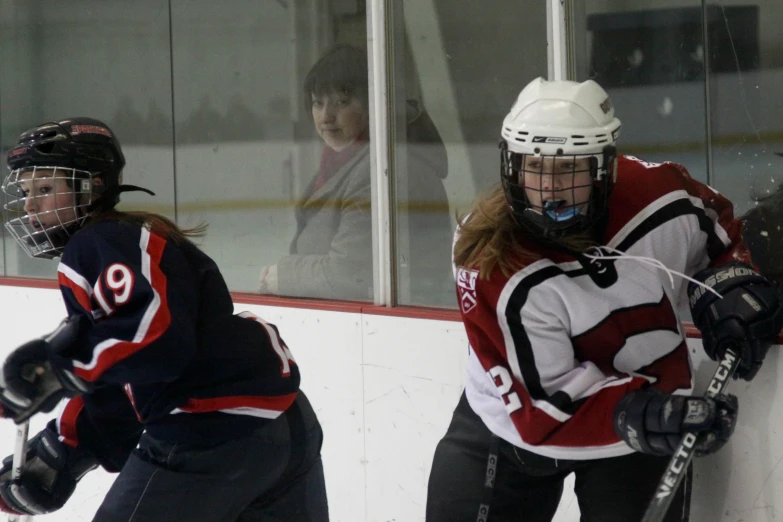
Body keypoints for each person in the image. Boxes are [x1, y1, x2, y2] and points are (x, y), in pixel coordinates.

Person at [425, 78, 783, 521]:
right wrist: (653, 415)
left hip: (640, 420)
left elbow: (721, 234)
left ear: (604, 169)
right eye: (535, 167)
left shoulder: (660, 197)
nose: (550, 189)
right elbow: (544, 409)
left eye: (568, 169)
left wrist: (733, 280)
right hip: (513, 430)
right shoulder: (491, 258)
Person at [0, 117, 329, 521]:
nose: (30, 205)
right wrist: (66, 450)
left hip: (212, 433)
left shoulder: (97, 242)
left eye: (46, 189)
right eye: (27, 192)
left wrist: (59, 367)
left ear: (92, 186)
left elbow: (155, 339)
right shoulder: (128, 238)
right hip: (285, 424)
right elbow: (128, 370)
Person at [258, 44, 453, 304]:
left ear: (372, 103)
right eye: (318, 103)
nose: (326, 117)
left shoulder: (382, 168)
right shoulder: (344, 161)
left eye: (341, 102)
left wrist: (283, 276)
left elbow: (350, 277)